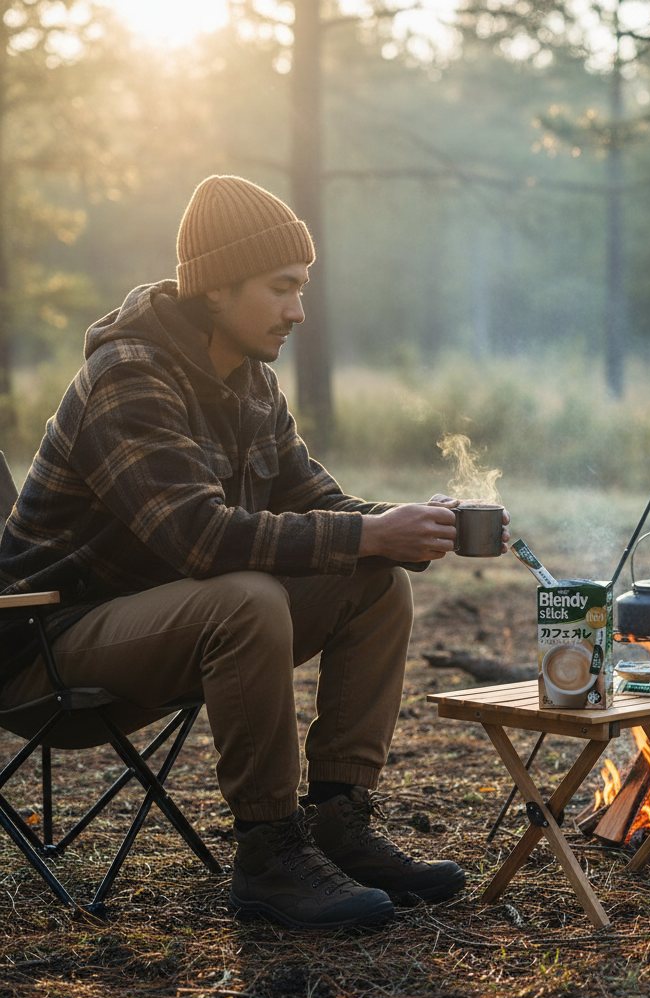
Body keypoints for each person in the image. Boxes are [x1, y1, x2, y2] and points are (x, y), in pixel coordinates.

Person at [0, 174, 509, 930]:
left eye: (301, 288)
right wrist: (369, 533)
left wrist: (401, 526)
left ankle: (340, 825)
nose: (298, 310)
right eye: (281, 289)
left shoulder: (251, 383)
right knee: (250, 596)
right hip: (48, 645)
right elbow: (201, 538)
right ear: (214, 287)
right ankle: (269, 854)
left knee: (373, 583)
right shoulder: (128, 378)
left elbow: (319, 503)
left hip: (160, 629)